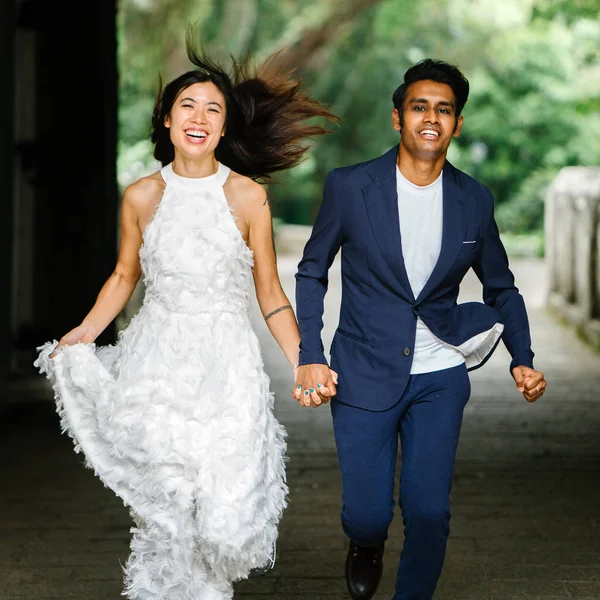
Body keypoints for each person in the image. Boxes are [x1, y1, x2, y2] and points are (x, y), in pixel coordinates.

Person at [35, 38, 337, 600]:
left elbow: (269, 292)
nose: (199, 118)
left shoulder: (248, 197)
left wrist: (305, 360)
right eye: (188, 106)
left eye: (213, 109)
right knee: (169, 502)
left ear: (224, 129)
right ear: (168, 120)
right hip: (158, 365)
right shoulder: (141, 197)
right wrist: (82, 335)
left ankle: (207, 587)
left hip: (227, 370)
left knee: (224, 516)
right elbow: (125, 277)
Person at [293, 59, 548, 600]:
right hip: (361, 370)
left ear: (456, 124)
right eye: (419, 106)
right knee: (367, 514)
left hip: (439, 373)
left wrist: (521, 356)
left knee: (429, 512)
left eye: (444, 109)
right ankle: (365, 544)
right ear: (397, 118)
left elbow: (501, 286)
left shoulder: (474, 199)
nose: (430, 117)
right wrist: (309, 353)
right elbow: (312, 270)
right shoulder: (349, 187)